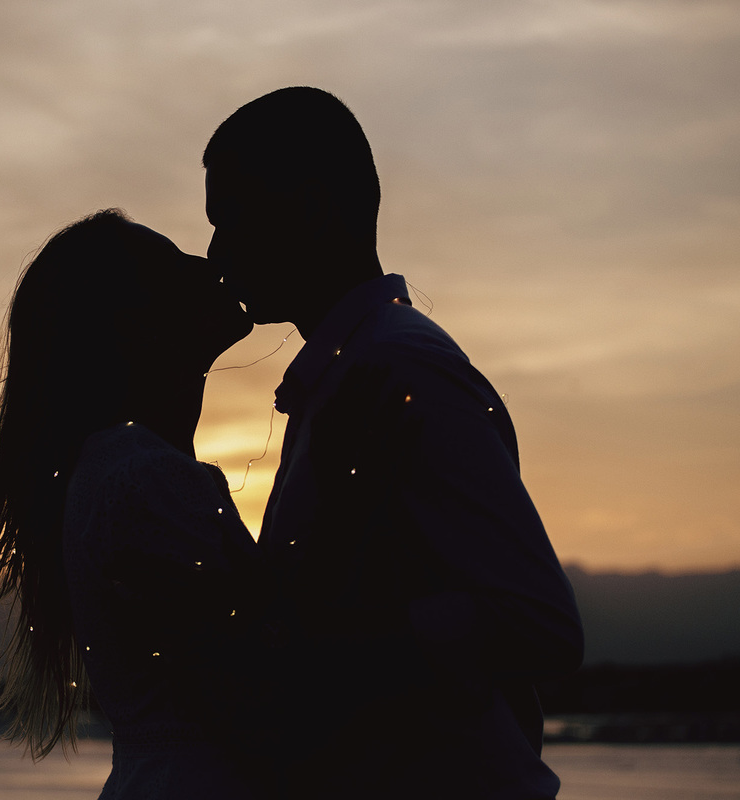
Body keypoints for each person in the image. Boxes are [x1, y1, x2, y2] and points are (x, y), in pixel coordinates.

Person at [202, 87, 584, 798]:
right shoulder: (351, 375)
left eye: (232, 219)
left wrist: (339, 645)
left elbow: (540, 622)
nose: (217, 252)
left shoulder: (399, 372)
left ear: (311, 209)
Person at [0, 209, 261, 798]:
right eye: (174, 267)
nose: (208, 264)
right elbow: (256, 689)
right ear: (135, 325)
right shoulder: (143, 480)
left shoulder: (116, 472)